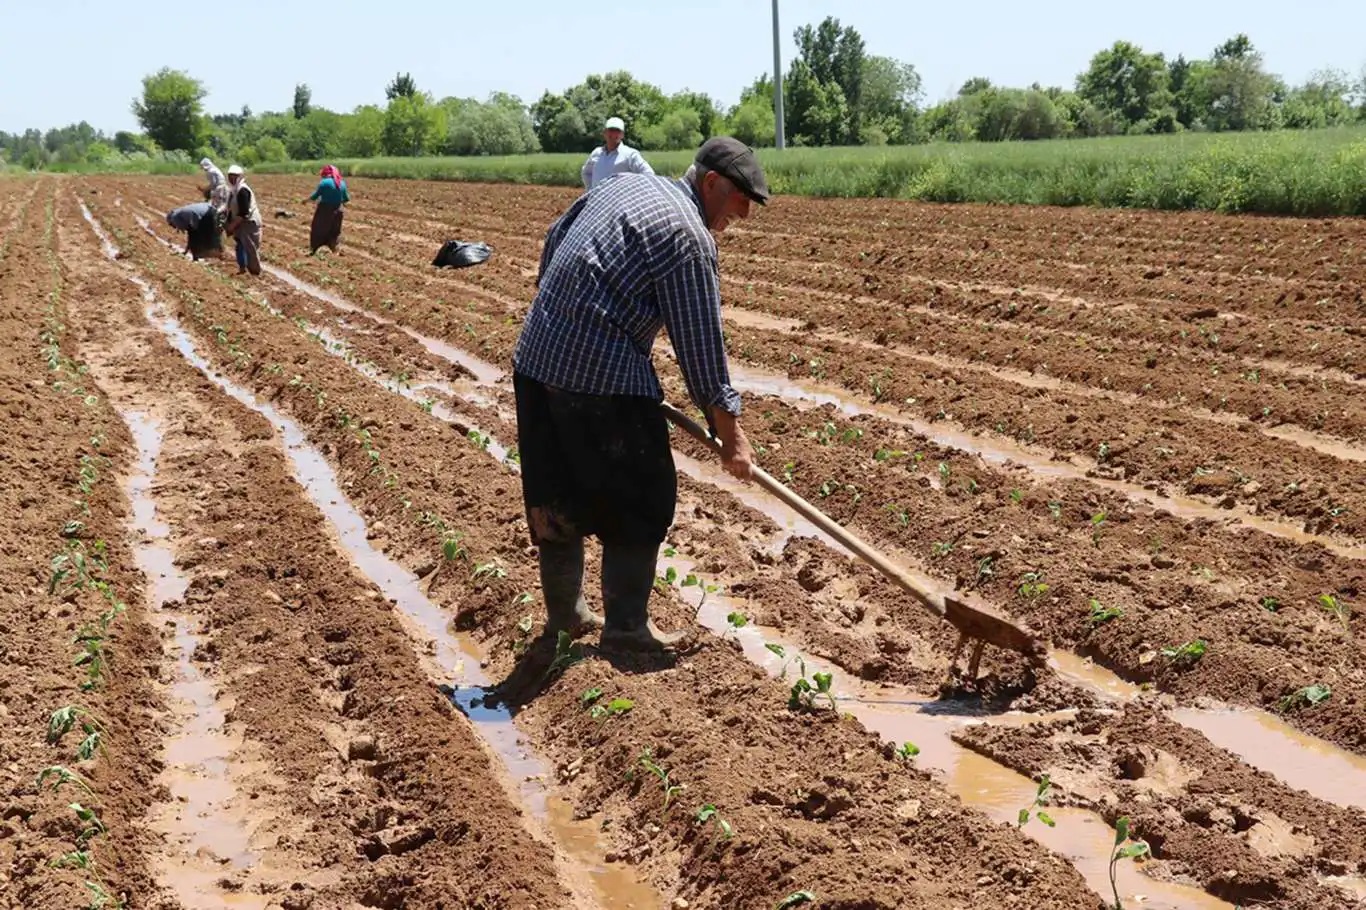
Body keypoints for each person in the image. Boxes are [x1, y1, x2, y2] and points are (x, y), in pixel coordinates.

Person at [513, 137, 768, 652]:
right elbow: (700, 344)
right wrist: (731, 433)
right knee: (642, 496)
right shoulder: (689, 237)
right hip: (600, 373)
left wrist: (565, 315)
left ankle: (566, 619)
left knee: (555, 494)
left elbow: (553, 237)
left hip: (536, 357)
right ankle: (626, 631)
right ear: (711, 182)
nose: (742, 212)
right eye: (740, 197)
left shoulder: (623, 185)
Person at [580, 116, 654, 191]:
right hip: (598, 201)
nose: (613, 134)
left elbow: (648, 174)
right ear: (604, 133)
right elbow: (586, 173)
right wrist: (590, 191)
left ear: (622, 135)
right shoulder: (596, 153)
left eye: (617, 131)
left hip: (620, 201)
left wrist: (633, 192)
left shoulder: (630, 155)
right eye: (611, 130)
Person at [224, 164, 263, 276]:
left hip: (249, 222)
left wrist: (232, 225)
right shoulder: (234, 190)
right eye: (230, 176)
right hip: (240, 222)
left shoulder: (242, 190)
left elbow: (244, 212)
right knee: (240, 245)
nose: (232, 179)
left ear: (240, 176)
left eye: (234, 176)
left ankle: (255, 272)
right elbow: (231, 209)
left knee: (250, 248)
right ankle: (243, 268)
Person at [305, 164, 350, 255]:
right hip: (338, 210)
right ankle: (334, 249)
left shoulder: (324, 182)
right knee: (335, 231)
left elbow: (315, 196)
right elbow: (346, 199)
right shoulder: (342, 183)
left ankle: (316, 250)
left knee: (319, 229)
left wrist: (306, 200)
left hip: (325, 210)